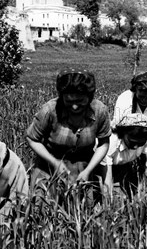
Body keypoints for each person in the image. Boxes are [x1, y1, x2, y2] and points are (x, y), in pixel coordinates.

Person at [26, 68, 111, 197]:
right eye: (69, 101)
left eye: (80, 101)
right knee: (42, 206)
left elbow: (104, 143)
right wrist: (55, 162)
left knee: (82, 207)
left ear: (89, 97)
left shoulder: (99, 111)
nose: (75, 106)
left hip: (83, 164)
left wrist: (88, 170)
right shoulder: (50, 110)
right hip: (49, 162)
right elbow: (32, 138)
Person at [104, 113, 147, 195]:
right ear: (123, 133)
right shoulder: (112, 141)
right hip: (101, 166)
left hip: (122, 166)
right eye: (132, 141)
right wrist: (109, 199)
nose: (135, 146)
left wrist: (144, 185)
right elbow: (107, 175)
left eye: (140, 143)